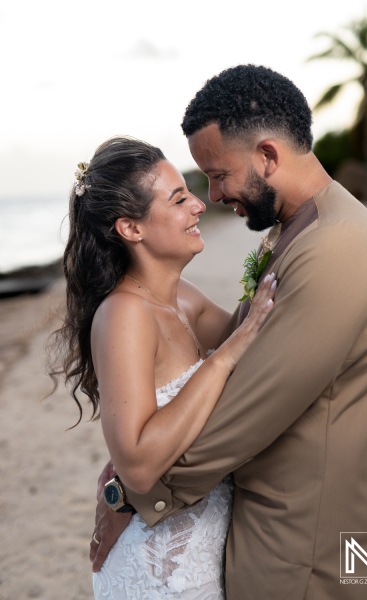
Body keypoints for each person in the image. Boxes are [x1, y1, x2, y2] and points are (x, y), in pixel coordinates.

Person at [91, 65, 367, 599]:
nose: (209, 196)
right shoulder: (299, 231)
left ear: (267, 156)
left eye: (217, 174)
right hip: (327, 527)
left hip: (308, 543)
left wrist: (134, 496)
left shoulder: (335, 249)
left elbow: (247, 412)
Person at [50, 135, 277, 599]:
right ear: (131, 229)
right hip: (160, 571)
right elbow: (136, 465)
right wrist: (227, 355)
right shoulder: (124, 315)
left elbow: (262, 337)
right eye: (178, 199)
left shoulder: (183, 298)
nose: (199, 204)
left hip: (202, 552)